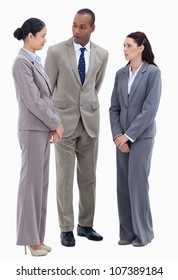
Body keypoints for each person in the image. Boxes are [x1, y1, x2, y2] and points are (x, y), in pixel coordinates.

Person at [44, 8, 108, 247]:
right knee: (64, 178)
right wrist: (52, 123)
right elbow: (46, 91)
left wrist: (87, 108)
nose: (77, 31)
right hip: (63, 125)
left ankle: (85, 225)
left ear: (92, 28)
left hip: (90, 124)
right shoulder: (56, 51)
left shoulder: (103, 54)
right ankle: (66, 228)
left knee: (89, 178)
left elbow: (94, 88)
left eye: (82, 27)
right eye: (74, 25)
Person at [12, 17, 64, 256]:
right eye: (42, 35)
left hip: (42, 129)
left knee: (40, 186)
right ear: (30, 36)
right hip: (32, 129)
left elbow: (47, 99)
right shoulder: (21, 63)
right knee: (30, 186)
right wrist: (56, 123)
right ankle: (29, 240)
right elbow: (34, 101)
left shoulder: (35, 62)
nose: (45, 40)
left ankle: (37, 238)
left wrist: (53, 125)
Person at [109, 31, 162, 247]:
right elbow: (114, 108)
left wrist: (129, 136)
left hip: (141, 138)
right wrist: (117, 136)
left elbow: (150, 110)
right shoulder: (120, 74)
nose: (125, 49)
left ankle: (143, 234)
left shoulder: (152, 73)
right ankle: (127, 232)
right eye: (123, 45)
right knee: (122, 185)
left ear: (141, 47)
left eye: (129, 45)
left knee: (137, 184)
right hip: (120, 138)